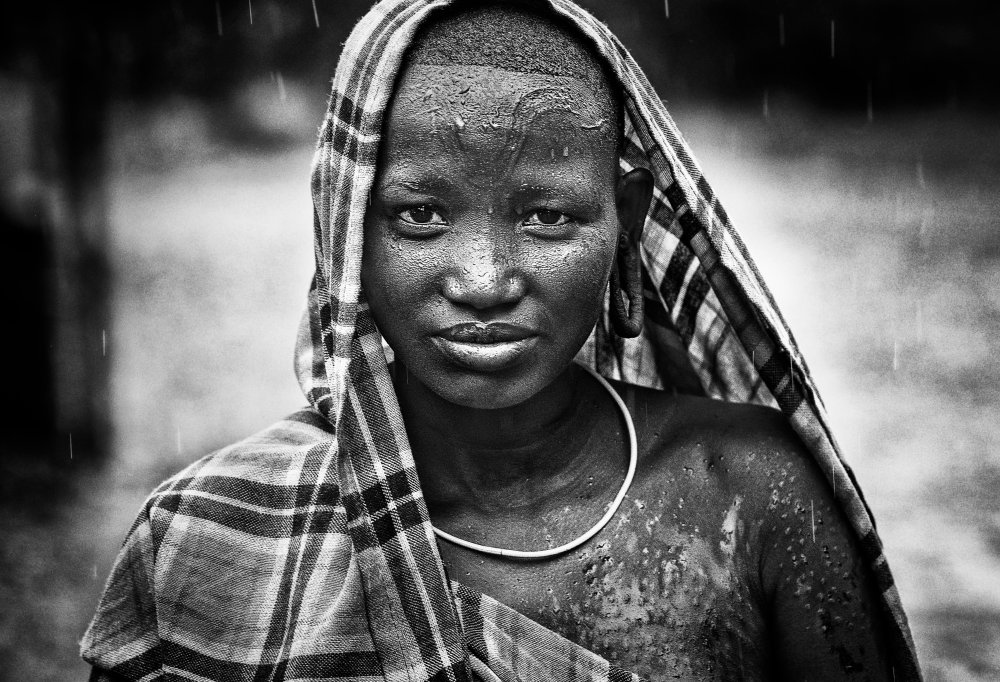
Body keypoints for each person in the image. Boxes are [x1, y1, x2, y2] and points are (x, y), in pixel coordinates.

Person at [81, 1, 922, 680]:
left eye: (547, 216)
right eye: (421, 215)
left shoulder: (751, 492)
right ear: (345, 238)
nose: (483, 279)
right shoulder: (210, 535)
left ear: (624, 227)